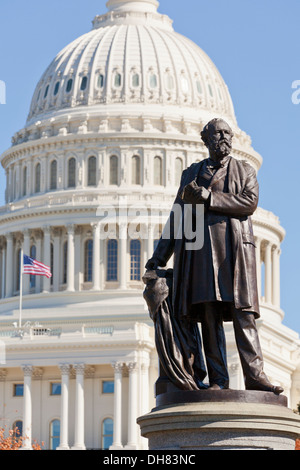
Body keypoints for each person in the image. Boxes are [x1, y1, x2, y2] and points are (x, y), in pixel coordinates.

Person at [145, 117, 283, 395]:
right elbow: (178, 218)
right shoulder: (191, 174)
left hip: (234, 254)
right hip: (201, 256)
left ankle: (256, 376)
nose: (224, 138)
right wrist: (158, 259)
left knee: (244, 316)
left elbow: (248, 203)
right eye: (218, 133)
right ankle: (219, 378)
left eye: (227, 133)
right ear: (206, 139)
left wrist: (208, 197)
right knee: (209, 318)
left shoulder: (244, 170)